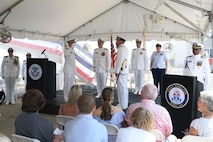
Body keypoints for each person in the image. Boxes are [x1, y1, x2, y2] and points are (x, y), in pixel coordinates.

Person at [114, 36, 129, 109]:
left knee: (121, 88)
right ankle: (124, 103)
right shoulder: (125, 48)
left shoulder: (121, 49)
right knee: (124, 88)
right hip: (124, 71)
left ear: (120, 41)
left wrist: (116, 71)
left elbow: (119, 61)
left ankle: (122, 104)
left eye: (117, 40)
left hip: (121, 71)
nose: (116, 42)